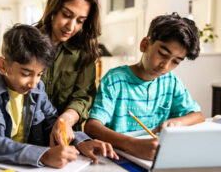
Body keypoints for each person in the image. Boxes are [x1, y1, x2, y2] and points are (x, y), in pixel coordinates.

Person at [0, 24, 118, 168]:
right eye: (26, 74)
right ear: (2, 65)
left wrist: (81, 142)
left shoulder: (38, 88)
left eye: (40, 74)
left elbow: (53, 123)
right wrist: (43, 155)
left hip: (23, 165)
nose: (33, 83)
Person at [84, 13, 206, 161]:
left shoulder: (170, 81)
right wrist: (132, 144)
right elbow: (92, 127)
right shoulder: (115, 80)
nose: (165, 66)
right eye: (162, 54)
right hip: (119, 157)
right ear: (145, 45)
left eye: (176, 61)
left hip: (155, 158)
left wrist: (177, 122)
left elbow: (198, 116)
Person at [36, 0, 101, 147]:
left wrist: (67, 118)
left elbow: (84, 96)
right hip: (26, 141)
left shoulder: (86, 52)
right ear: (53, 8)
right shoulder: (27, 41)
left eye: (80, 21)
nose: (71, 27)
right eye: (67, 15)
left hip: (69, 141)